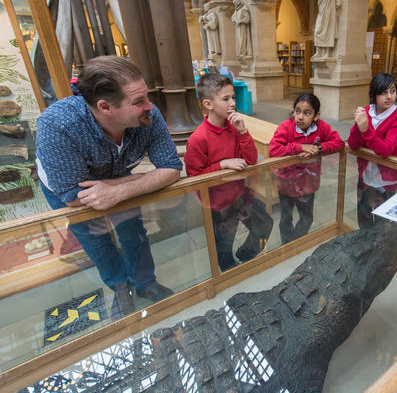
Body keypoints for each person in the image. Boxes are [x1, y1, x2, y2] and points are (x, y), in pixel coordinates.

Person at [36, 56, 181, 319]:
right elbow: (73, 196)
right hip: (64, 187)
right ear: (105, 107)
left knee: (132, 228)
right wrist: (131, 184)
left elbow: (171, 168)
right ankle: (120, 286)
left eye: (145, 96)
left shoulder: (148, 116)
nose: (150, 106)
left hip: (114, 175)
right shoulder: (58, 125)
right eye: (138, 102)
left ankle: (145, 283)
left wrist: (118, 190)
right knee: (94, 236)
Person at [184, 73, 272, 271]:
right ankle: (230, 272)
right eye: (226, 99)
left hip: (240, 195)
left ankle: (245, 256)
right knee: (223, 248)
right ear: (208, 104)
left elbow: (250, 159)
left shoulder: (233, 128)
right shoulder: (198, 139)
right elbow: (194, 177)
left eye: (233, 97)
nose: (233, 103)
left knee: (264, 224)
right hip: (217, 206)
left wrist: (242, 131)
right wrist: (222, 164)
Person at [269, 93, 344, 244]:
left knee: (307, 218)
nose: (300, 117)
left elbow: (339, 143)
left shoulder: (322, 127)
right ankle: (286, 243)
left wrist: (319, 147)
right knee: (286, 218)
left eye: (307, 113)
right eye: (297, 111)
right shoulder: (286, 127)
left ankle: (295, 243)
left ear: (316, 116)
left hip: (308, 184)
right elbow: (274, 150)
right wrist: (299, 147)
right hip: (286, 184)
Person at [348, 73, 397, 229]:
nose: (389, 96)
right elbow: (353, 145)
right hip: (365, 176)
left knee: (383, 222)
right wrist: (357, 125)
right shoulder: (366, 111)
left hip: (386, 180)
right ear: (374, 94)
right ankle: (363, 248)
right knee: (363, 216)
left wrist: (366, 130)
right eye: (383, 92)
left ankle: (379, 251)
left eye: (392, 91)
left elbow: (386, 150)